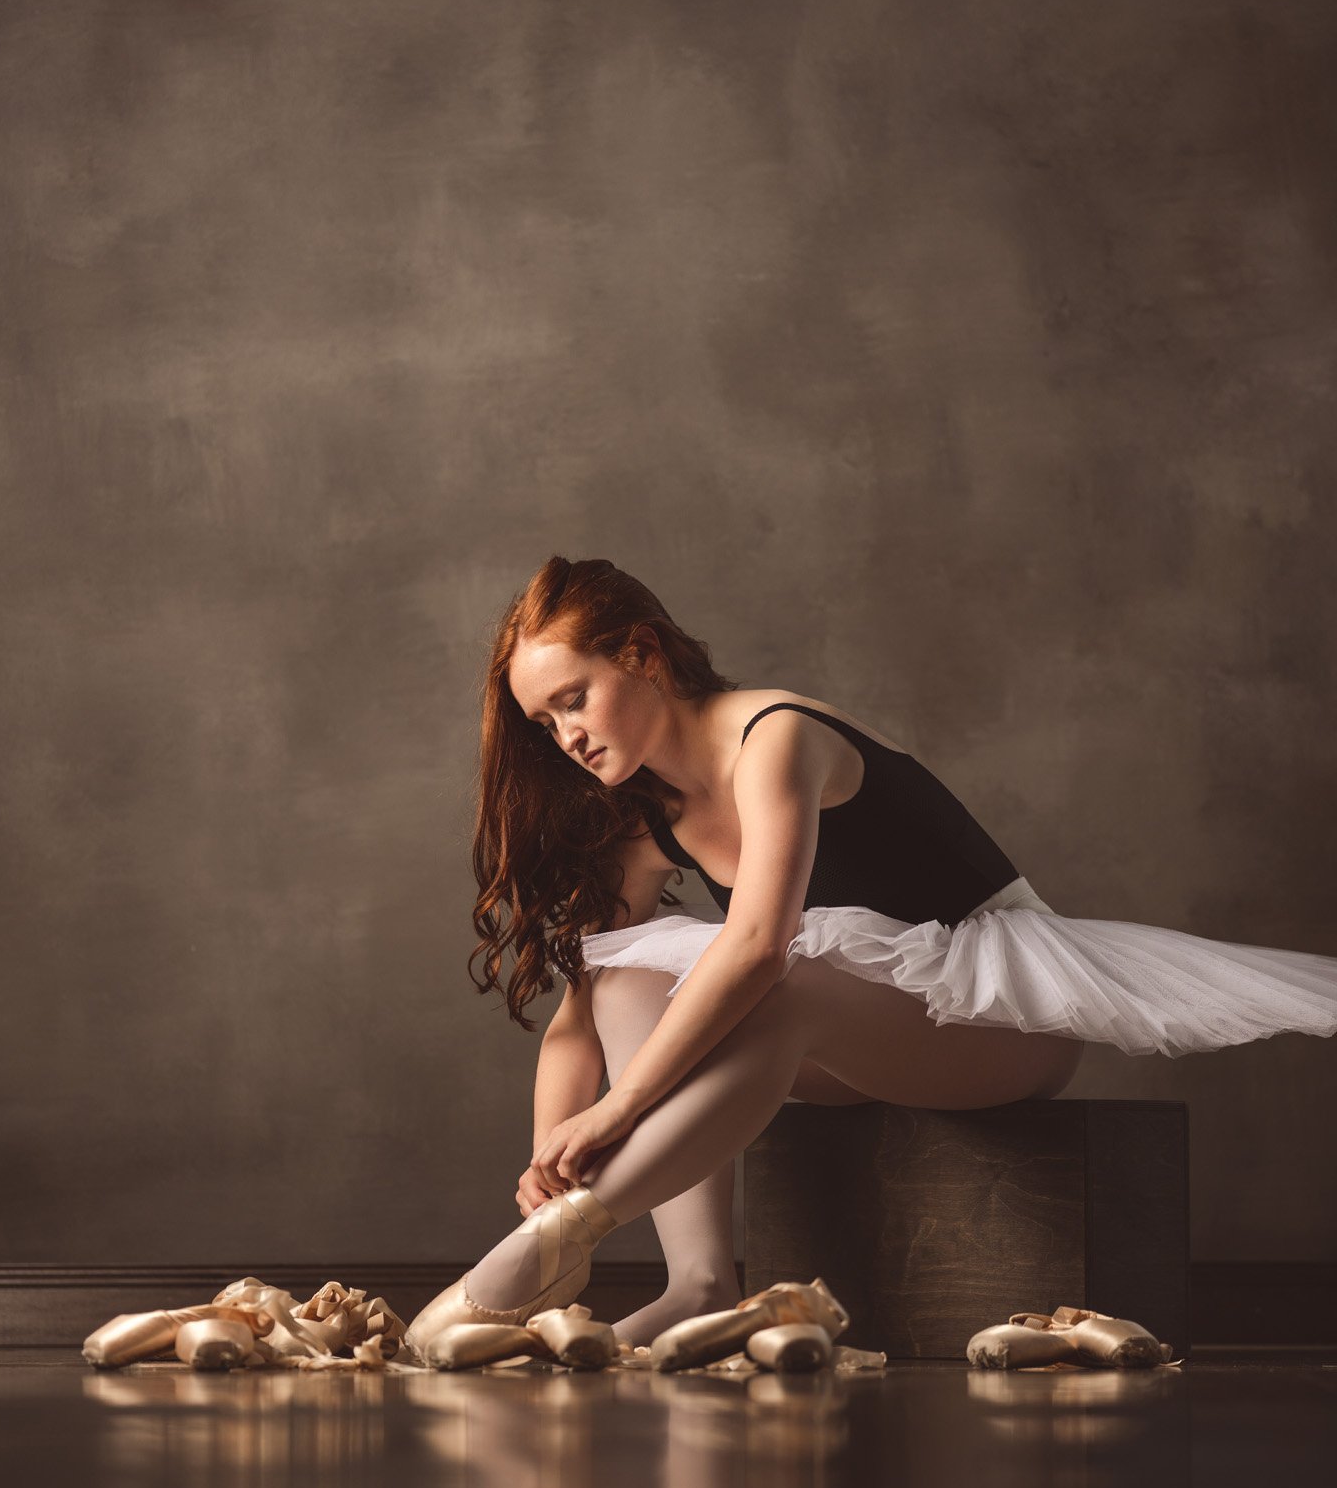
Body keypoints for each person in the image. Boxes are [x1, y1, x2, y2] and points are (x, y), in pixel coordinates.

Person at [405, 556, 1337, 1358]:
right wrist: (547, 1164)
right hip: (849, 1038)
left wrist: (614, 1118)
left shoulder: (774, 737)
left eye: (574, 698)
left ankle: (578, 1235)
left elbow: (762, 946)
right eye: (544, 721)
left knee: (777, 977)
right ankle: (693, 1282)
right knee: (625, 972)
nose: (566, 734)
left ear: (643, 655)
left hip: (996, 1022)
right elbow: (578, 1020)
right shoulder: (650, 823)